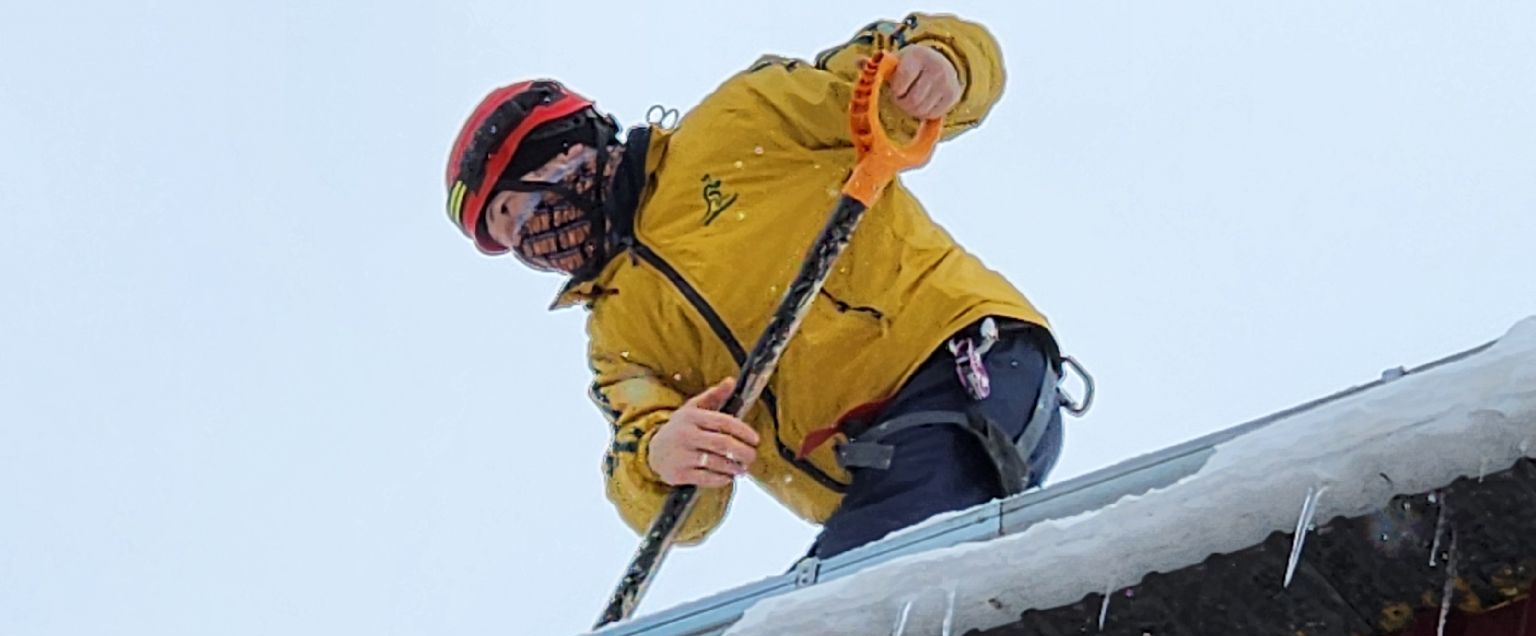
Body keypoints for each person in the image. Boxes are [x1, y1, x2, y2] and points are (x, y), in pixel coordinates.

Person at [444, 14, 1086, 560]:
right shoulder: (620, 334)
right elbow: (669, 488)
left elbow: (876, 79)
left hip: (962, 366)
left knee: (837, 612)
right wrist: (663, 461)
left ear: (565, 147)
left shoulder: (738, 124)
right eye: (516, 237)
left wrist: (942, 63)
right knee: (842, 597)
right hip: (870, 469)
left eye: (520, 208)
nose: (534, 235)